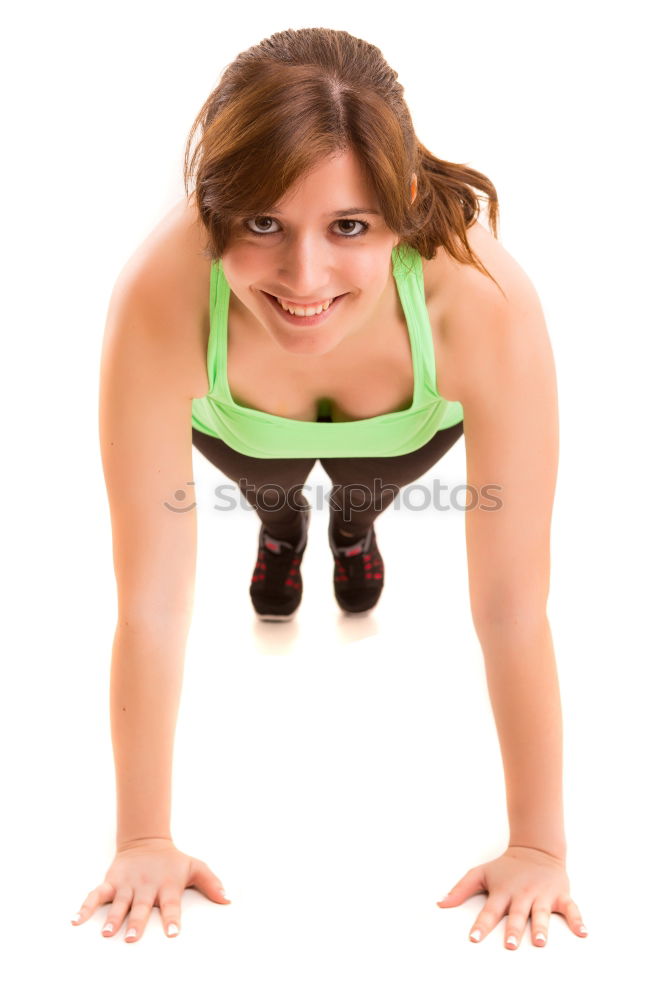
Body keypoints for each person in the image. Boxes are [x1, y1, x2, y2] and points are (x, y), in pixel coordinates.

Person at [74, 27, 587, 948]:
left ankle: (351, 534)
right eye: (263, 223)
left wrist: (540, 849)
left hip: (394, 443)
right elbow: (150, 599)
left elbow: (513, 604)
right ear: (216, 207)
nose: (303, 278)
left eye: (348, 226)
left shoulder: (480, 300)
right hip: (246, 433)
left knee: (359, 489)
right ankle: (282, 530)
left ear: (404, 208)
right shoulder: (161, 290)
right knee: (277, 487)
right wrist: (143, 837)